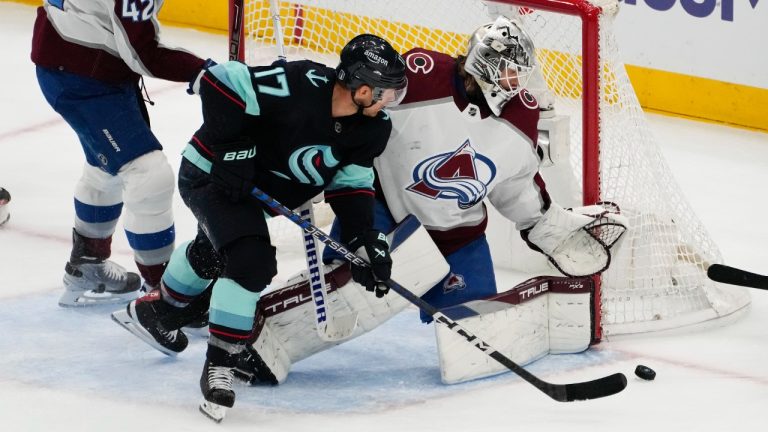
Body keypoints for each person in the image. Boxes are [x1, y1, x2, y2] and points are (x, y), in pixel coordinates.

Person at [228, 16, 626, 387]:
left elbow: (516, 183)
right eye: (507, 70)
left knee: (476, 334)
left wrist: (546, 226)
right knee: (346, 296)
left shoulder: (521, 116)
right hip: (383, 215)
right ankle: (243, 336)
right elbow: (356, 106)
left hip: (459, 238)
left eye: (518, 73)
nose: (515, 82)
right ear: (483, 64)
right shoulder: (419, 77)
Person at [112, 34, 408, 421]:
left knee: (216, 252)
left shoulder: (373, 129)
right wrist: (232, 148)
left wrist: (364, 239)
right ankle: (221, 364)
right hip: (212, 177)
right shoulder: (300, 84)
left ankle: (159, 314)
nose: (391, 103)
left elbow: (350, 185)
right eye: (388, 94)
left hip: (259, 196)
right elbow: (221, 80)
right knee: (250, 262)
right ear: (363, 88)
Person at [31, 0, 210, 307]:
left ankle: (87, 263)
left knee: (106, 168)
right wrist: (204, 71)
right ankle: (166, 298)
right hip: (80, 75)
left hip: (84, 59)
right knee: (148, 174)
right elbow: (144, 54)